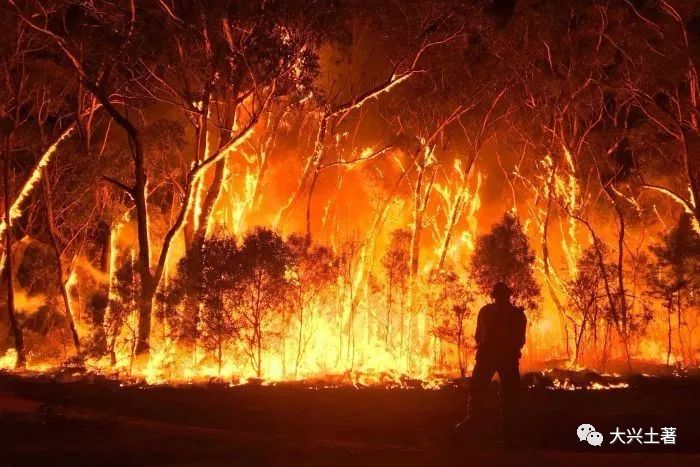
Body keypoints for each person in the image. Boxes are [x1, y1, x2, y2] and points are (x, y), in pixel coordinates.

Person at [459, 281, 527, 445]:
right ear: (508, 295)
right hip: (506, 359)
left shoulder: (486, 311)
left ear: (494, 296)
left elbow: (478, 336)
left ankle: (473, 427)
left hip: (488, 358)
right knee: (510, 396)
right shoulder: (517, 314)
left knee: (478, 392)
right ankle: (508, 435)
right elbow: (520, 339)